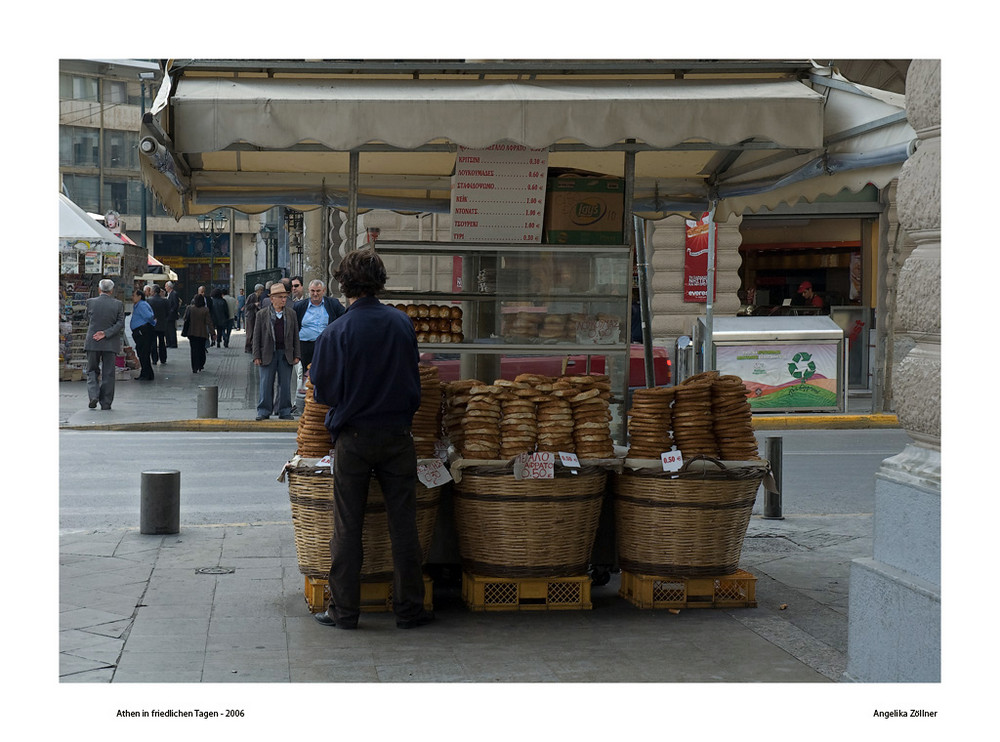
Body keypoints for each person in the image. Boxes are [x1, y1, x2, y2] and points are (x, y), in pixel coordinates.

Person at [309, 248, 433, 630]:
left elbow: (324, 392)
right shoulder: (401, 323)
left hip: (354, 437)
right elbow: (414, 381)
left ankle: (344, 611)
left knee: (348, 526)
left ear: (344, 285)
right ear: (380, 283)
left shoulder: (337, 331)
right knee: (403, 525)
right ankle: (409, 609)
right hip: (398, 435)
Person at [252, 282, 300, 421]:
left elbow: (295, 335)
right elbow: (256, 336)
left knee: (285, 384)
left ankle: (284, 410)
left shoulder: (291, 314)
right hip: (267, 353)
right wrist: (256, 355)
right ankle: (264, 411)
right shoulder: (262, 314)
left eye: (285, 297)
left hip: (285, 353)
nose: (283, 300)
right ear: (272, 299)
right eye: (280, 297)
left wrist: (297, 354)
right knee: (266, 383)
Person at [84, 278, 125, 410]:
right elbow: (120, 324)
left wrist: (99, 332)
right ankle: (106, 402)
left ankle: (94, 395)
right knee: (108, 373)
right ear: (112, 290)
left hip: (93, 341)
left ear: (99, 289)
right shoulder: (118, 304)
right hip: (110, 343)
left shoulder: (90, 302)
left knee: (91, 370)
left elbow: (87, 318)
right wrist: (106, 333)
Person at [293, 279, 346, 378]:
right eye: (313, 291)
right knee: (307, 374)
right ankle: (308, 393)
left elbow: (344, 318)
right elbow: (293, 326)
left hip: (326, 345)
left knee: (326, 372)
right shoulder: (299, 306)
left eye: (318, 291)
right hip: (306, 345)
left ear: (324, 290)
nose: (315, 294)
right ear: (308, 290)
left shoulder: (333, 304)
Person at [129, 289, 156, 381]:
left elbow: (149, 316)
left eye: (134, 295)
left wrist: (152, 323)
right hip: (140, 331)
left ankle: (146, 374)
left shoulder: (142, 305)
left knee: (143, 352)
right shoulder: (138, 305)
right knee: (142, 352)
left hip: (143, 331)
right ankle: (146, 373)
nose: (132, 297)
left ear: (140, 296)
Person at [185, 293, 213, 373]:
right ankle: (201, 364)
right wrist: (213, 333)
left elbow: (185, 319)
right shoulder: (205, 310)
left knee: (193, 350)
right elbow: (209, 322)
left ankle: (194, 367)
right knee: (201, 349)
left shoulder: (190, 308)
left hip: (192, 332)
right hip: (202, 333)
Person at [147, 284, 170, 365]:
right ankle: (163, 358)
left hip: (152, 324)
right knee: (162, 341)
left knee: (153, 342)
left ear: (153, 291)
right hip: (162, 324)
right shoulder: (165, 301)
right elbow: (168, 312)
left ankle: (154, 359)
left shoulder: (149, 301)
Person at [243, 283, 264, 353]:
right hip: (250, 316)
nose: (262, 291)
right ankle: (248, 347)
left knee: (254, 332)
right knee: (250, 332)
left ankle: (252, 346)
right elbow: (247, 306)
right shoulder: (251, 296)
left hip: (255, 316)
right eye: (261, 290)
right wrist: (254, 304)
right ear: (258, 290)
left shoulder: (259, 297)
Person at [164, 281, 181, 348]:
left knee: (171, 329)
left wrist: (171, 311)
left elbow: (175, 304)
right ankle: (168, 343)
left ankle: (173, 343)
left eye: (166, 286)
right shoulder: (168, 294)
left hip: (171, 315)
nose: (165, 288)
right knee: (167, 330)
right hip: (168, 315)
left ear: (169, 287)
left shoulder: (174, 294)